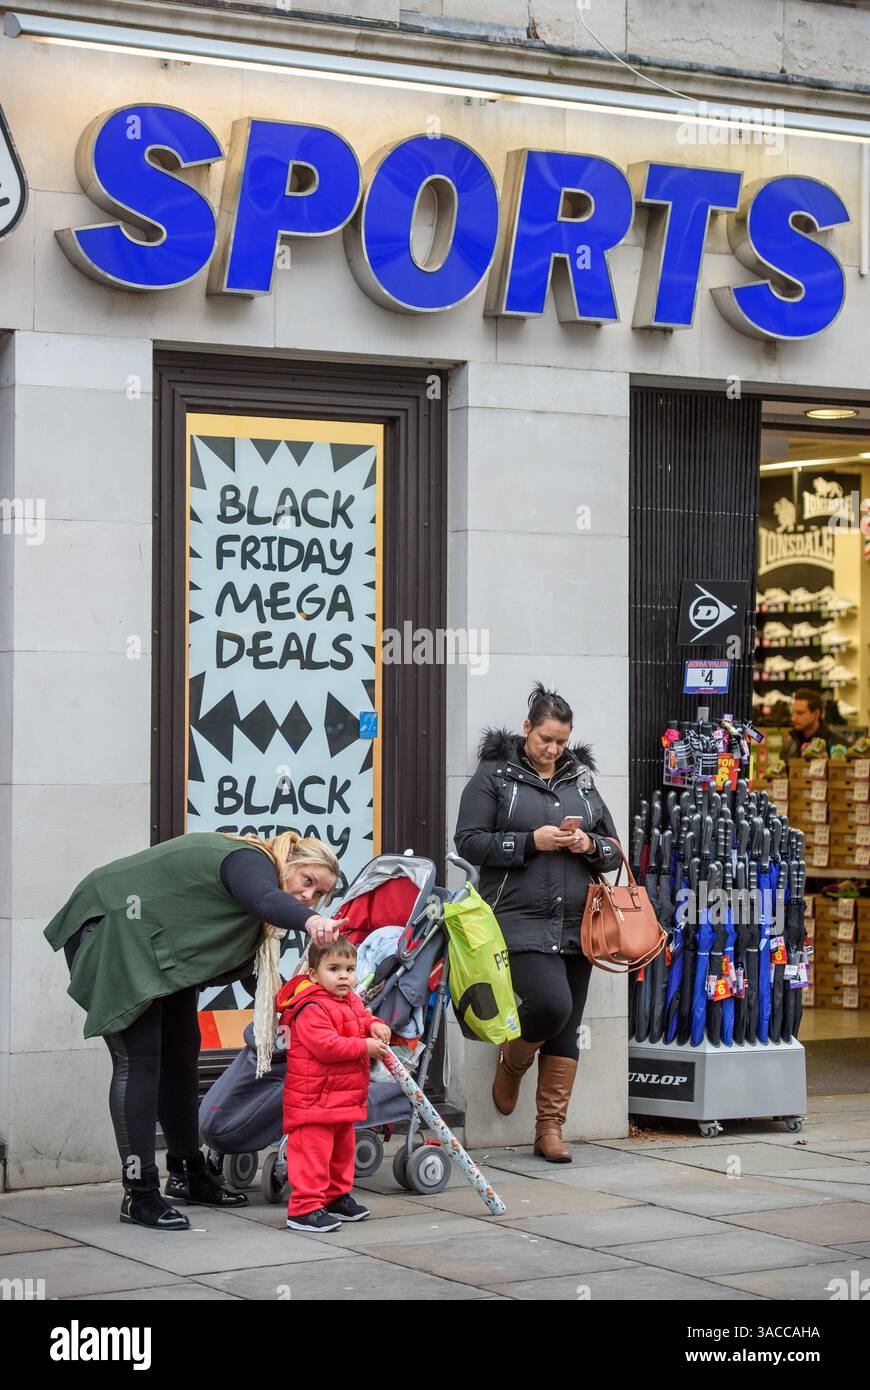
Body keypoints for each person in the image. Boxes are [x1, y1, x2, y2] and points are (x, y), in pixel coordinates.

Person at [44, 829, 347, 1230]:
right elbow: (263, 898)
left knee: (181, 1059)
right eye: (307, 881)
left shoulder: (259, 910)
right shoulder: (251, 861)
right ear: (289, 861)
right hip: (116, 929)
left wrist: (304, 1006)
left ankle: (188, 1173)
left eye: (319, 895)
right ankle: (140, 1194)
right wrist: (310, 921)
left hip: (162, 948)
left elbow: (256, 979)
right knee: (141, 1061)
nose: (309, 896)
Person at [454, 681, 619, 1162]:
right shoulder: (494, 778)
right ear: (527, 729)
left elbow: (612, 850)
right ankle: (513, 1059)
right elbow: (467, 842)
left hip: (579, 920)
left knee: (568, 1023)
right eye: (546, 739)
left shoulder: (581, 781)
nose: (553, 750)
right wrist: (530, 842)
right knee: (550, 1006)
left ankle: (550, 1130)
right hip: (516, 917)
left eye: (562, 742)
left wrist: (588, 845)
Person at [277, 937, 391, 1232]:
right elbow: (327, 1046)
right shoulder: (311, 1006)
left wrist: (374, 1024)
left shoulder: (349, 999)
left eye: (350, 969)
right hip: (313, 1099)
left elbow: (361, 1017)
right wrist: (363, 1046)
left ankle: (335, 1197)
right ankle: (303, 1208)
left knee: (341, 1153)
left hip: (341, 1097)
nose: (344, 975)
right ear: (314, 974)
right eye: (334, 968)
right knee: (312, 1157)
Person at [781, 688, 831, 760]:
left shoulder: (834, 745)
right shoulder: (789, 745)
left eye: (800, 713)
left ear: (816, 714)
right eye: (793, 713)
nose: (793, 718)